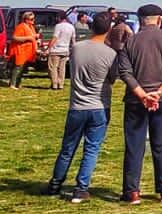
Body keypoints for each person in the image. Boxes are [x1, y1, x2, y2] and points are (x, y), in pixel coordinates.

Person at [114, 4, 162, 204]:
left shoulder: (131, 42)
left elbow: (125, 72)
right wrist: (158, 92)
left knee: (134, 145)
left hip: (136, 100)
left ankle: (132, 191)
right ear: (160, 19)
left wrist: (142, 95)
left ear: (140, 19)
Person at [43, 15, 117, 202]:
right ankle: (81, 188)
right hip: (99, 105)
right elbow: (112, 79)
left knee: (68, 148)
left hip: (77, 105)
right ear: (109, 30)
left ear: (91, 28)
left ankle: (55, 183)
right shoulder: (110, 54)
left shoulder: (77, 48)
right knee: (91, 149)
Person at [7, 11, 39, 89]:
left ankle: (18, 83)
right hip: (20, 50)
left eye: (33, 19)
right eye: (31, 19)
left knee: (23, 68)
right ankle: (12, 84)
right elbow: (14, 38)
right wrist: (28, 38)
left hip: (27, 51)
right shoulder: (21, 26)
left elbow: (32, 36)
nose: (33, 21)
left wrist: (36, 37)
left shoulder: (31, 27)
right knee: (18, 67)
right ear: (26, 19)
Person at [48, 16, 75, 91]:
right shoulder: (71, 27)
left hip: (56, 50)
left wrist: (48, 48)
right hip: (65, 49)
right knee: (62, 68)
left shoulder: (58, 26)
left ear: (59, 18)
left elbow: (55, 37)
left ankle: (54, 84)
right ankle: (61, 84)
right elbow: (73, 39)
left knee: (53, 67)